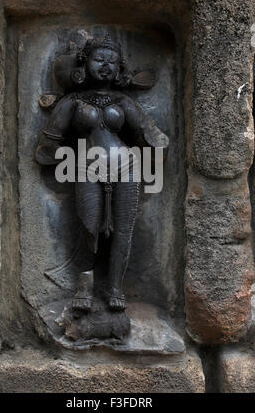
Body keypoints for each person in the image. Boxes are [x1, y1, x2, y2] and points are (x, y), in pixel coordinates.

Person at [35, 34, 168, 312]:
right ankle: (85, 285)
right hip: (86, 166)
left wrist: (154, 140)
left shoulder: (122, 101)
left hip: (127, 167)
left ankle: (115, 286)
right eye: (99, 60)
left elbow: (148, 132)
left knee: (123, 231)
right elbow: (49, 143)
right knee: (89, 226)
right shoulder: (72, 102)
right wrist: (54, 150)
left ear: (119, 68)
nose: (105, 66)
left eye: (112, 62)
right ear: (84, 65)